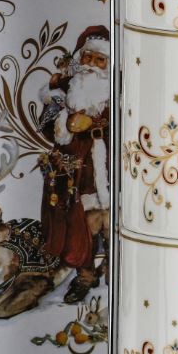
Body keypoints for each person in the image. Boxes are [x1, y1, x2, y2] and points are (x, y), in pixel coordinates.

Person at [37, 26, 111, 303]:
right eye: (88, 57)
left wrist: (96, 122)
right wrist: (64, 123)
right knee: (81, 223)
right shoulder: (66, 87)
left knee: (110, 220)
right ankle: (85, 276)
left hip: (108, 163)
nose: (91, 65)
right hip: (75, 167)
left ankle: (115, 270)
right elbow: (45, 124)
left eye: (99, 59)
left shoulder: (117, 88)